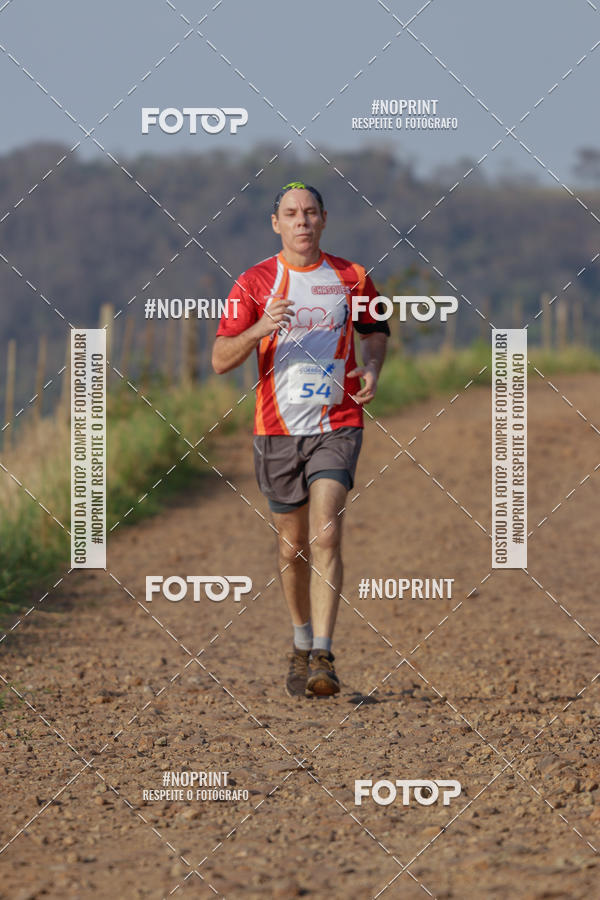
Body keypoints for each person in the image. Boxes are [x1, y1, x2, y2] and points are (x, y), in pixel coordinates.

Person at [212, 181, 389, 697]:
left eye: (310, 212)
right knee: (292, 546)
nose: (302, 221)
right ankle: (299, 639)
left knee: (327, 532)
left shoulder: (353, 277)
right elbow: (221, 360)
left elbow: (375, 331)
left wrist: (372, 367)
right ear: (276, 223)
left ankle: (323, 656)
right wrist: (259, 329)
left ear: (324, 219)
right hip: (277, 429)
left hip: (337, 422)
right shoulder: (254, 281)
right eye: (291, 214)